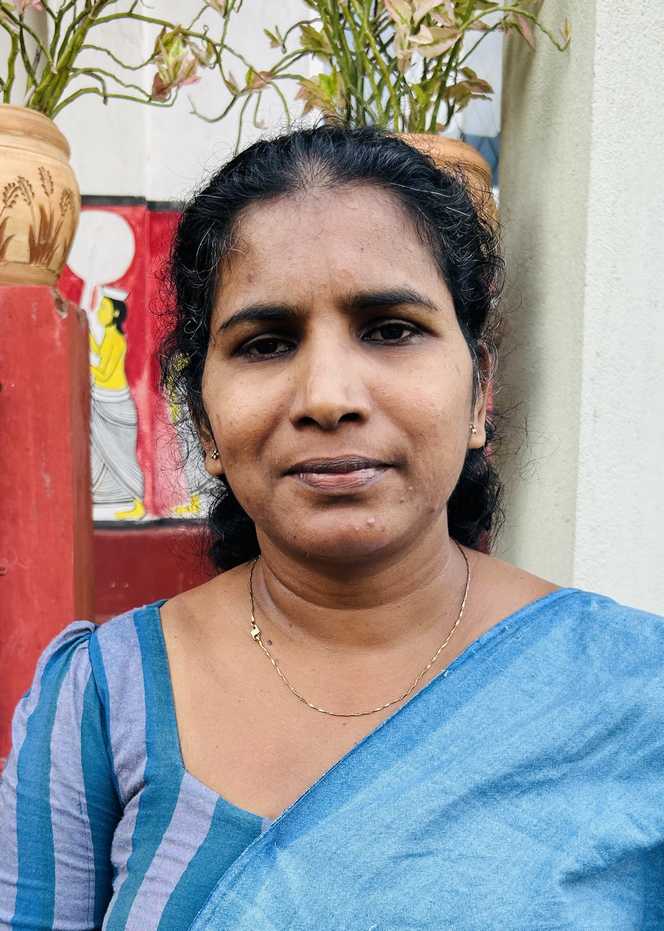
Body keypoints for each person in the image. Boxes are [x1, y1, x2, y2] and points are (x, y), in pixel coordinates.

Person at [1, 125, 663, 930]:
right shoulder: (102, 702)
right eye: (266, 343)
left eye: (390, 329)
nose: (327, 396)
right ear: (205, 424)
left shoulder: (635, 692)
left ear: (479, 393)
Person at [88, 290, 146, 522]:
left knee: (123, 457)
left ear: (114, 313)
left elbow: (104, 372)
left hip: (115, 402)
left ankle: (139, 501)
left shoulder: (116, 340)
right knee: (100, 451)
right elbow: (98, 356)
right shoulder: (107, 337)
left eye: (103, 308)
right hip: (102, 398)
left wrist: (85, 362)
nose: (99, 312)